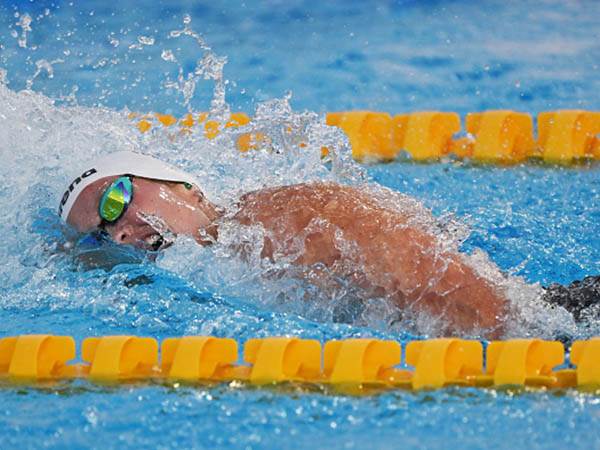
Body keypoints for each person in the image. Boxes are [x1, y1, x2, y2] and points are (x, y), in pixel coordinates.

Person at [59, 151, 598, 337]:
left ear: (181, 184)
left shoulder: (284, 218)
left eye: (115, 201)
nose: (122, 230)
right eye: (103, 230)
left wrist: (527, 339)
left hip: (550, 322)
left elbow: (447, 287)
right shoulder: (227, 255)